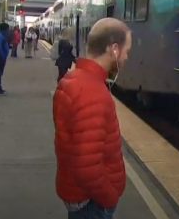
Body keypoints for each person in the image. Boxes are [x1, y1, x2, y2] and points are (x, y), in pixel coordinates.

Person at [53, 18, 132, 219]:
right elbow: (87, 165)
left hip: (77, 193)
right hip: (91, 203)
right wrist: (109, 197)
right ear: (114, 49)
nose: (126, 58)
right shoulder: (92, 93)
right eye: (126, 51)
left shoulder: (72, 79)